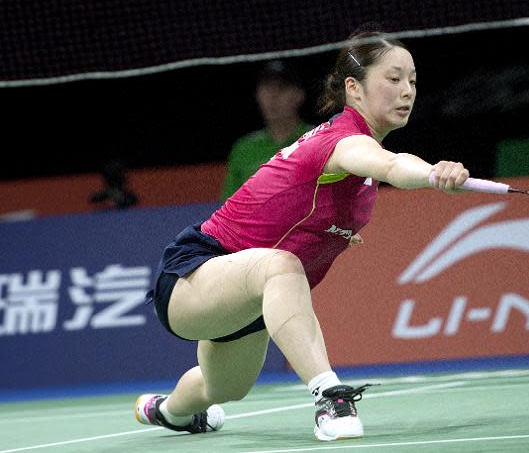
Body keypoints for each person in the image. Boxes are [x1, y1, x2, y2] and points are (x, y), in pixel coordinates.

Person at [134, 31, 470, 441]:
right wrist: (435, 172)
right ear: (354, 88)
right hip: (197, 273)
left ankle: (167, 410)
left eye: (413, 81)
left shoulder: (357, 168)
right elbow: (394, 165)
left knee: (222, 388)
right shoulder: (344, 140)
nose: (407, 91)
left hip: (247, 299)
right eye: (394, 78)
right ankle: (329, 397)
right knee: (281, 264)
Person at [220, 59, 313, 199]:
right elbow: (228, 209)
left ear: (299, 95)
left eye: (281, 88)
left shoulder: (318, 140)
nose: (272, 96)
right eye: (266, 88)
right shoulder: (243, 149)